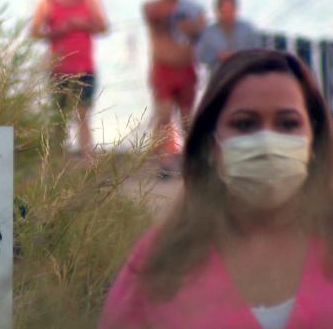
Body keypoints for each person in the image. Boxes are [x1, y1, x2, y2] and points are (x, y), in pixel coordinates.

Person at [99, 50, 333, 328]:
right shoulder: (160, 261)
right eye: (244, 124)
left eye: (287, 123)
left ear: (314, 140)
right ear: (211, 145)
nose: (268, 142)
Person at [30, 0, 108, 157]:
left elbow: (103, 27)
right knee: (59, 118)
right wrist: (60, 30)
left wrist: (83, 24)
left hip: (85, 68)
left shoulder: (89, 0)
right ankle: (57, 159)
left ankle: (87, 159)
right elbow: (35, 32)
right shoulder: (48, 2)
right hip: (59, 68)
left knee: (84, 116)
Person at [143, 0, 206, 175]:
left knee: (188, 117)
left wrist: (189, 17)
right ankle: (165, 162)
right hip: (163, 69)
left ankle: (192, 160)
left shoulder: (191, 8)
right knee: (164, 115)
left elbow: (201, 28)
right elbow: (157, 17)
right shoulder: (153, 6)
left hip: (187, 69)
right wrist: (183, 14)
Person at [197, 0, 262, 74]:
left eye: (231, 10)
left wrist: (241, 56)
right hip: (220, 76)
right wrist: (217, 56)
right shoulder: (208, 33)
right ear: (217, 11)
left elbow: (258, 50)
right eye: (225, 11)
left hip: (246, 74)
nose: (228, 15)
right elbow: (201, 57)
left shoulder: (247, 28)